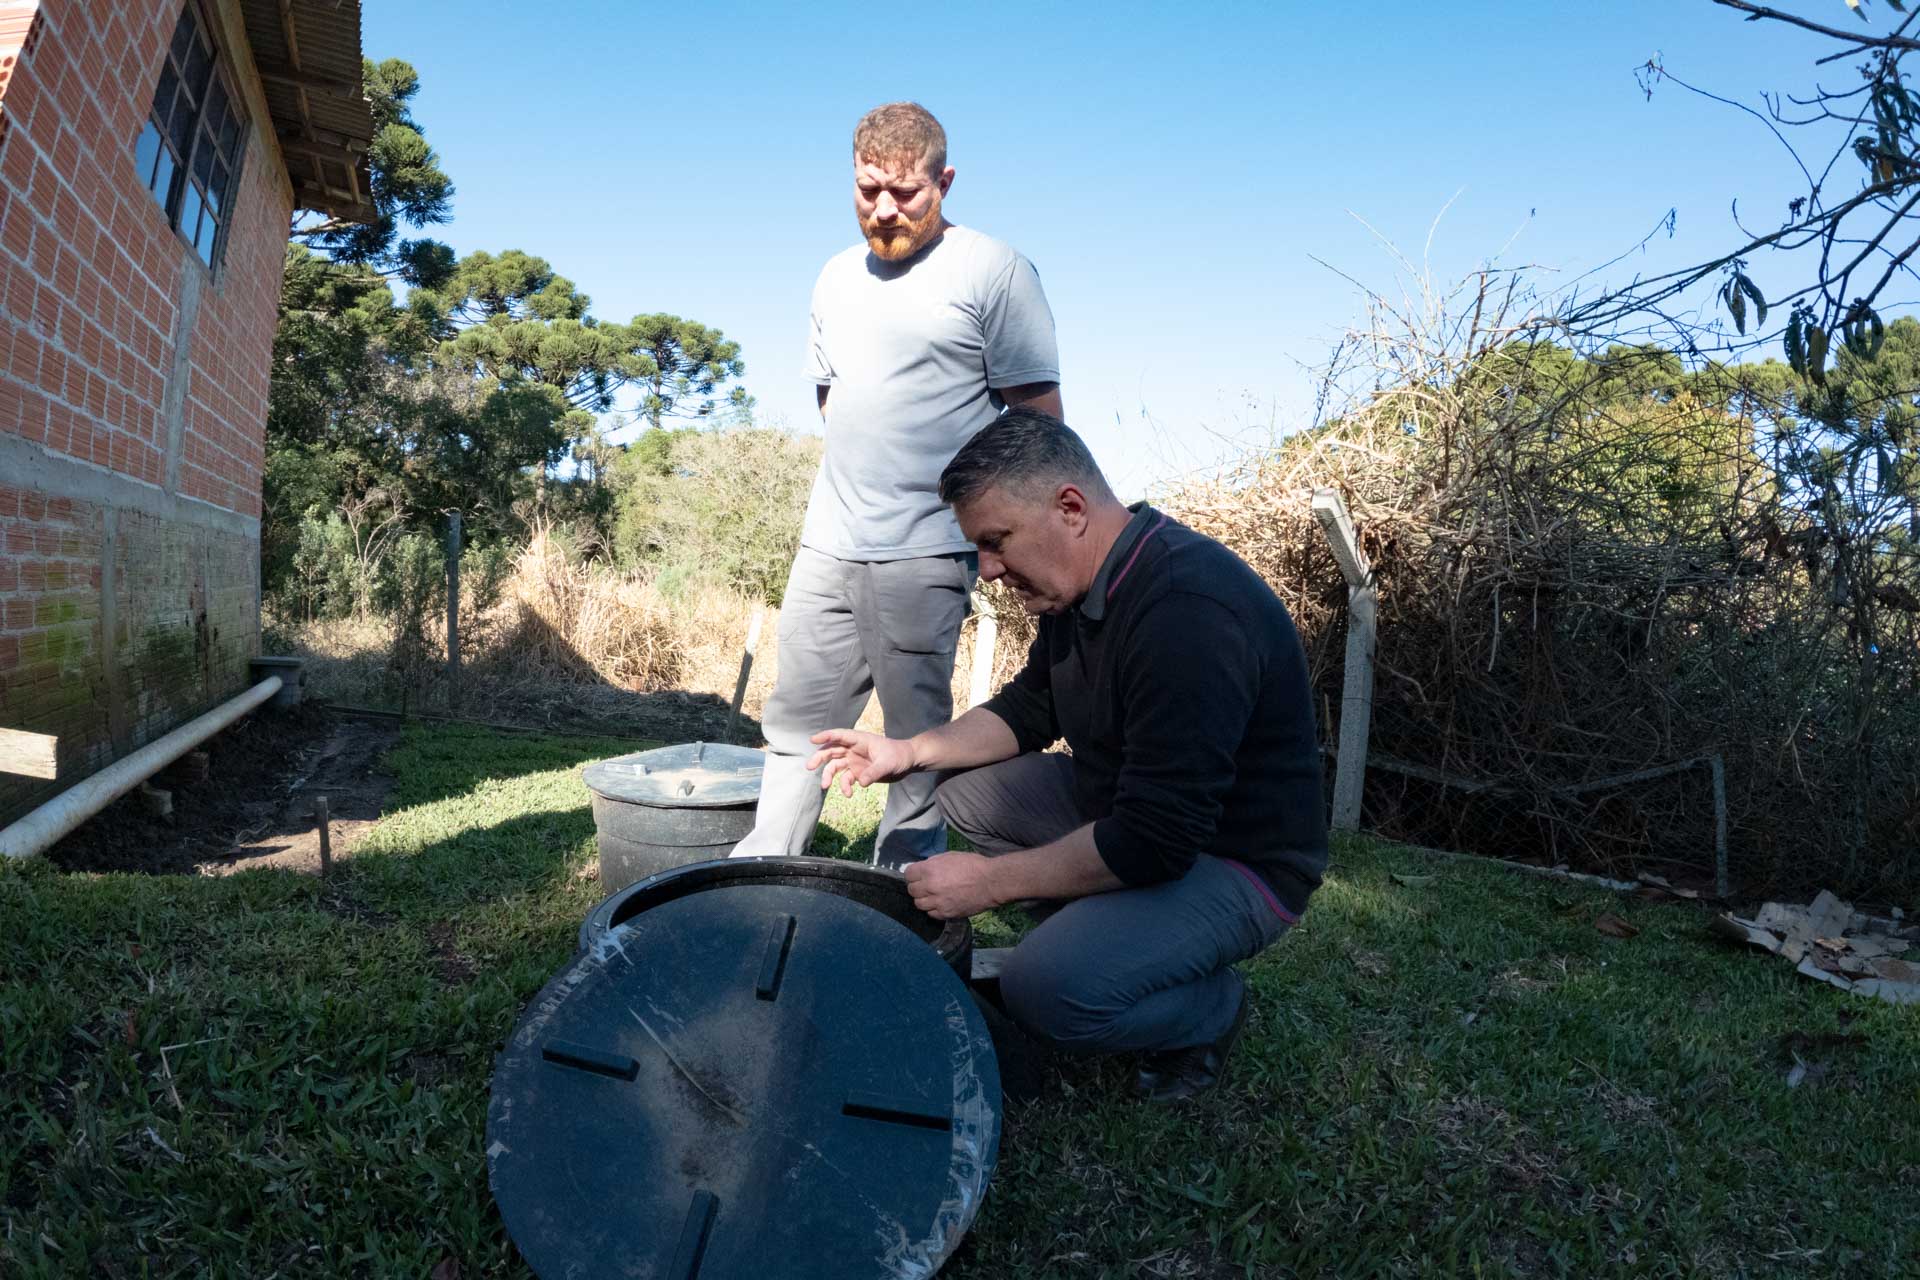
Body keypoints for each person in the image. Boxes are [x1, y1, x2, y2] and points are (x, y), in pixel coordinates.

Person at [805, 409, 1328, 1102]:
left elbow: (1157, 840)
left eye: (995, 542)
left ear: (1070, 509)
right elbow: (1029, 709)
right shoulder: (1081, 592)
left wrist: (992, 884)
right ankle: (1106, 934)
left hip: (1237, 861)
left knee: (1044, 990)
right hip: (1137, 818)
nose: (987, 571)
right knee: (961, 789)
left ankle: (1209, 1009)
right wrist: (906, 751)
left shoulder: (1186, 612)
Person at [730, 101, 1063, 869]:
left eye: (905, 192)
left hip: (924, 548)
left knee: (916, 736)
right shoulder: (835, 277)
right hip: (828, 540)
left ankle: (903, 883)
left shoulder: (993, 270)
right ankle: (767, 867)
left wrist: (1007, 541)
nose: (884, 209)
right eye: (867, 189)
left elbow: (1040, 424)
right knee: (795, 721)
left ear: (944, 181)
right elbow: (833, 401)